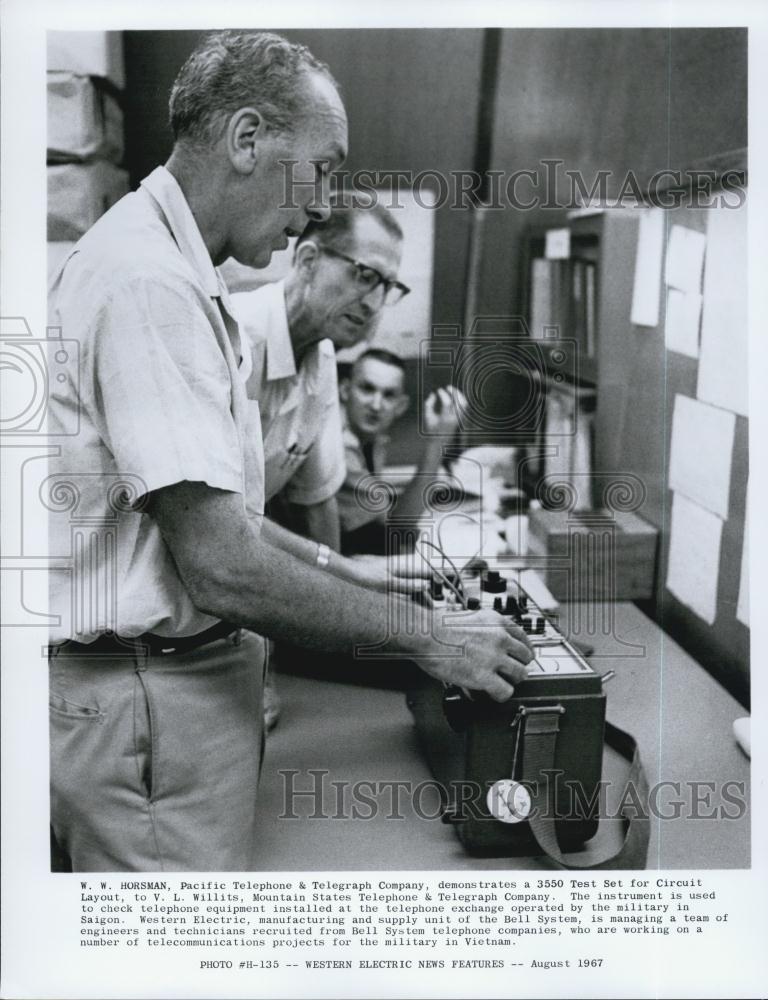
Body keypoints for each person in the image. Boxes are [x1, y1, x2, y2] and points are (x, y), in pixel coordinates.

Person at [47, 29, 534, 873]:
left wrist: (357, 577)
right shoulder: (148, 283)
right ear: (245, 139)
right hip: (148, 696)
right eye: (325, 166)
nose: (322, 201)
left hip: (185, 687)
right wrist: (432, 638)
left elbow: (231, 520)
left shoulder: (173, 271)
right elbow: (222, 564)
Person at [232, 199, 412, 727]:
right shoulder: (233, 343)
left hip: (244, 629)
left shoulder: (323, 360)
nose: (375, 301)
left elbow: (318, 518)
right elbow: (219, 528)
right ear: (307, 260)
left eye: (389, 287)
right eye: (364, 276)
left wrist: (360, 591)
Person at [337, 348, 466, 555]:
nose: (376, 405)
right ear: (344, 390)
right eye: (367, 389)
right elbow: (398, 528)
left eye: (388, 395)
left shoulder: (372, 439)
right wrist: (438, 441)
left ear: (401, 405)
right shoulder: (341, 448)